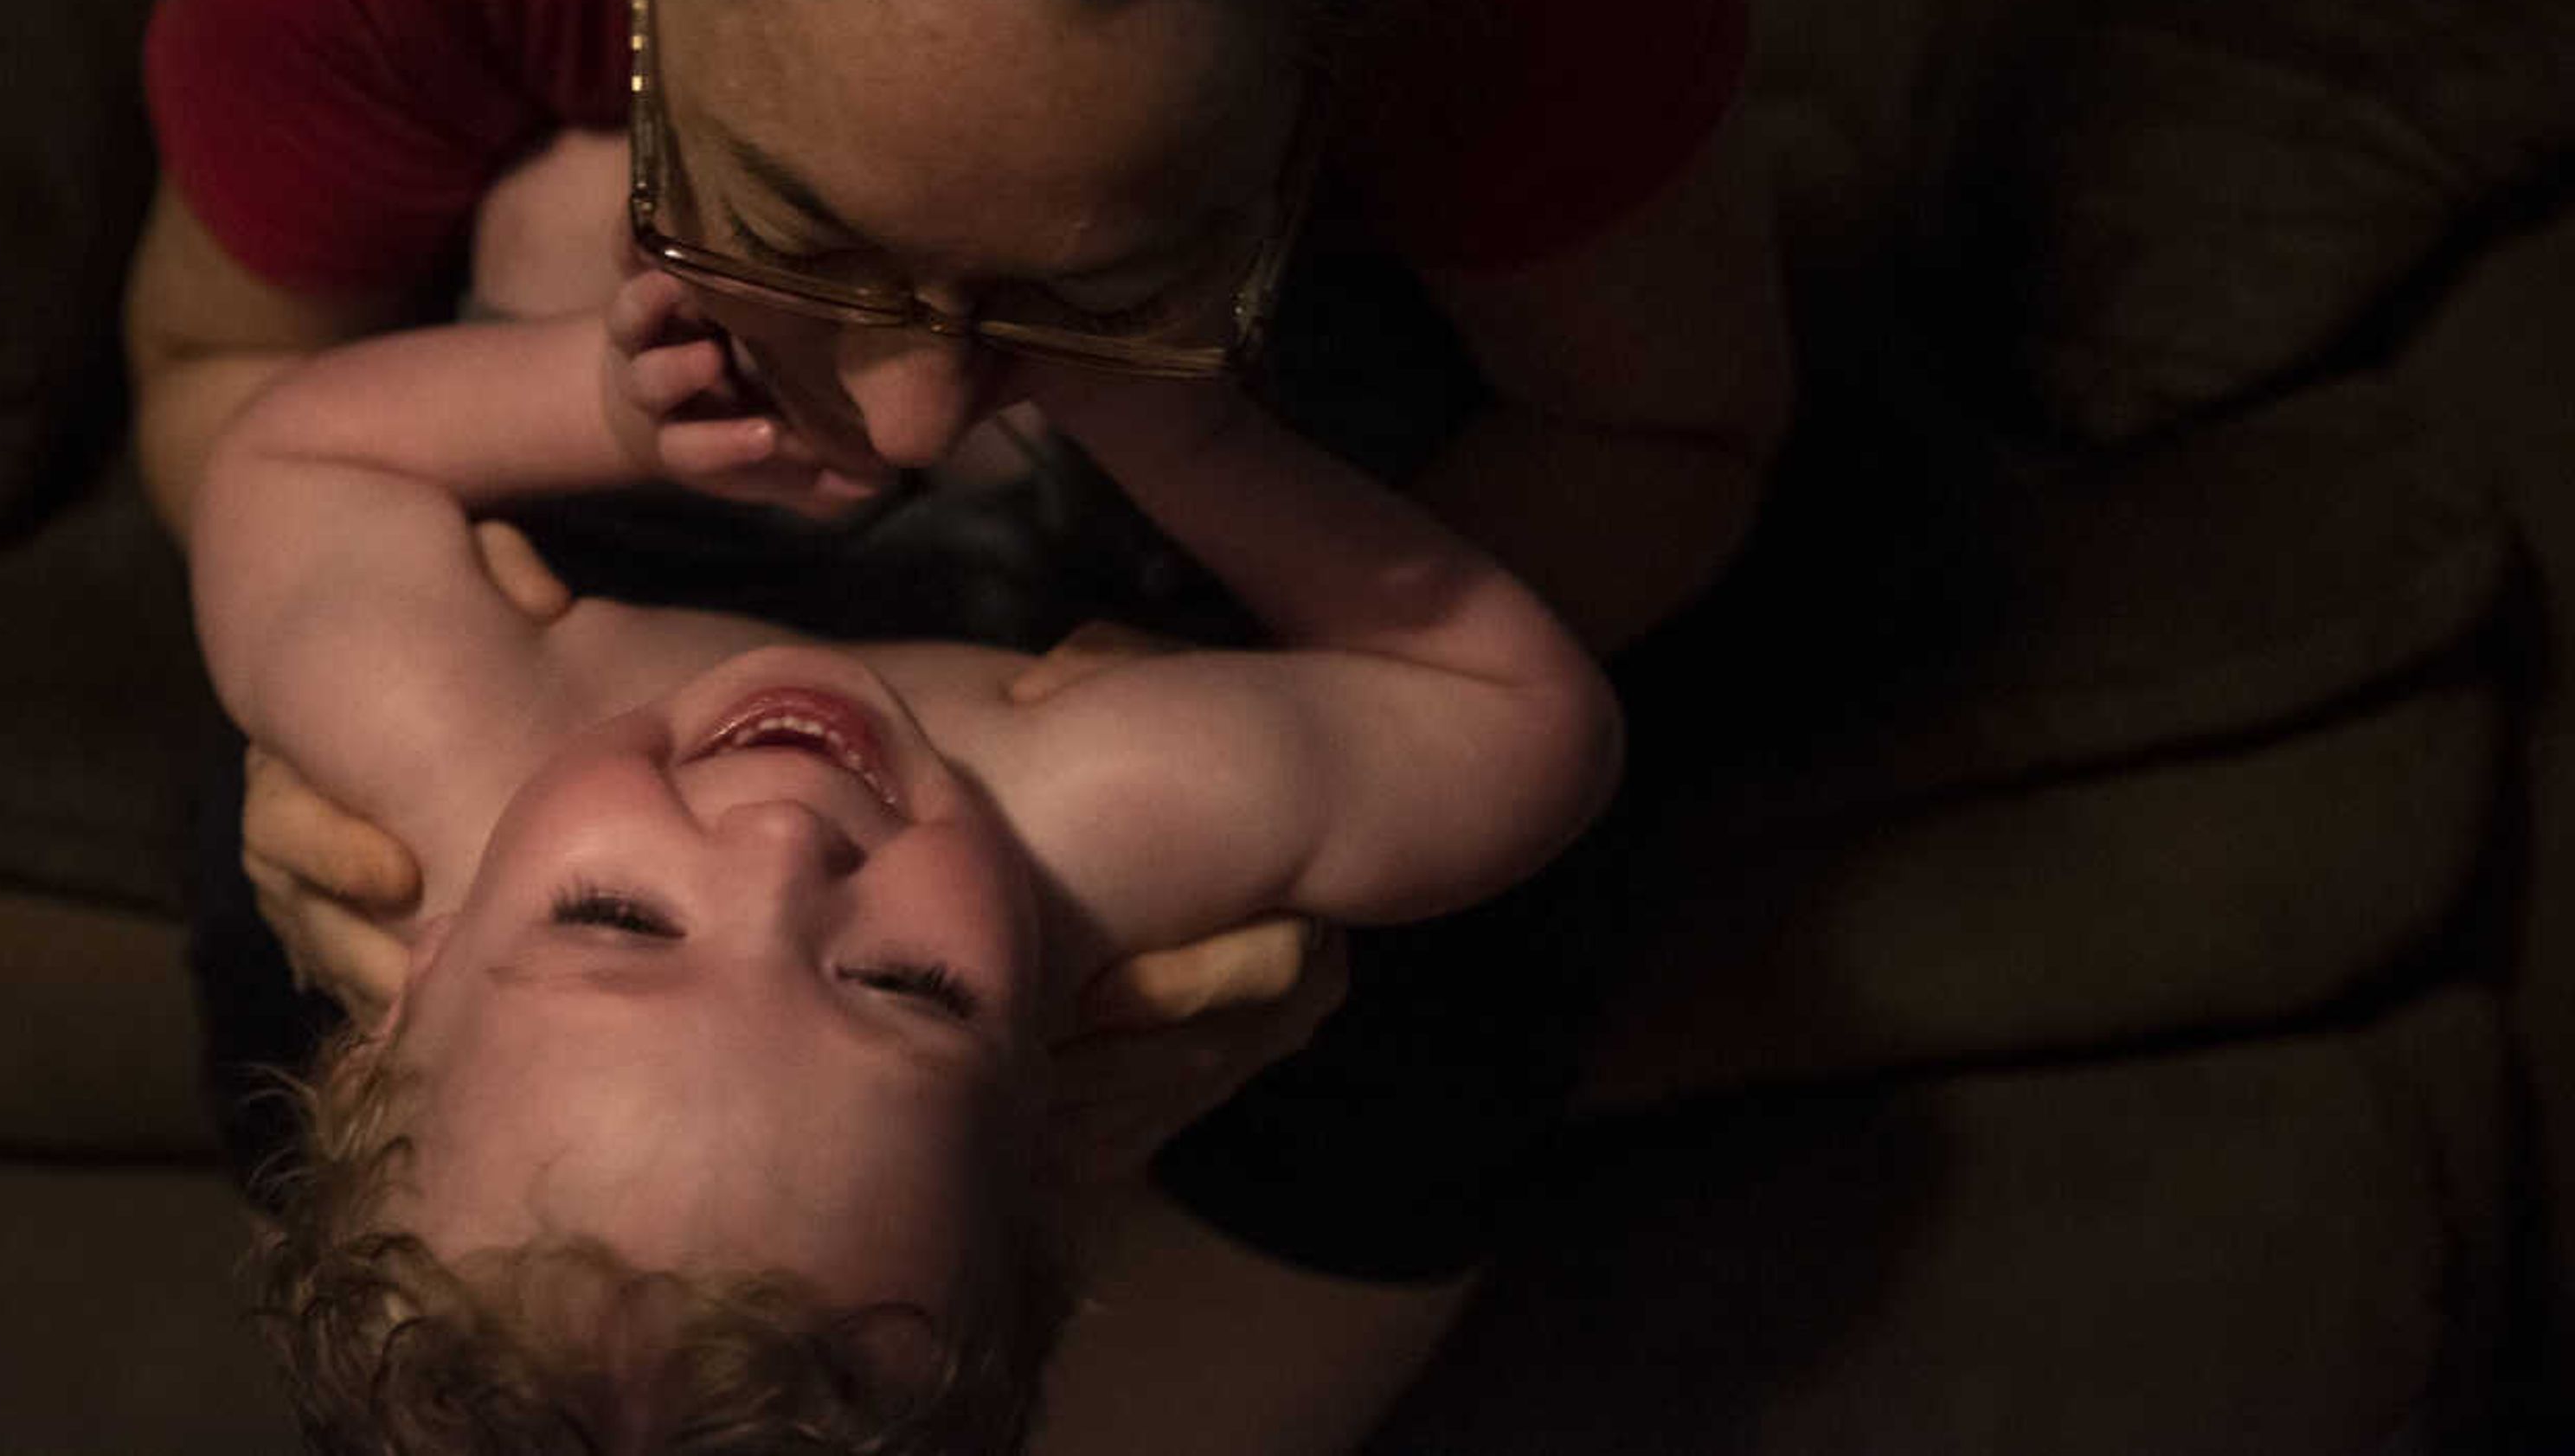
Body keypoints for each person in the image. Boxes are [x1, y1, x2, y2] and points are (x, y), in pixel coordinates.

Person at [130, 0, 1793, 1445]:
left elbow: (1648, 463)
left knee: (1466, 984)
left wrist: (1164, 433)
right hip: (940, 557)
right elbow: (231, 391)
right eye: (888, 976)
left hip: (1283, 447)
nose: (780, 854)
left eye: (1103, 266)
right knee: (277, 903)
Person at [189, 265, 1618, 1452]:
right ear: (1062, 1120)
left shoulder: (446, 737)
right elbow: (1529, 727)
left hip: (665, 467)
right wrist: (1190, 442)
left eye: (619, 920)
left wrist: (606, 408)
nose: (783, 844)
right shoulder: (1099, 811)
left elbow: (281, 456)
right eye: (908, 987)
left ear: (405, 992)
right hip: (1090, 527)